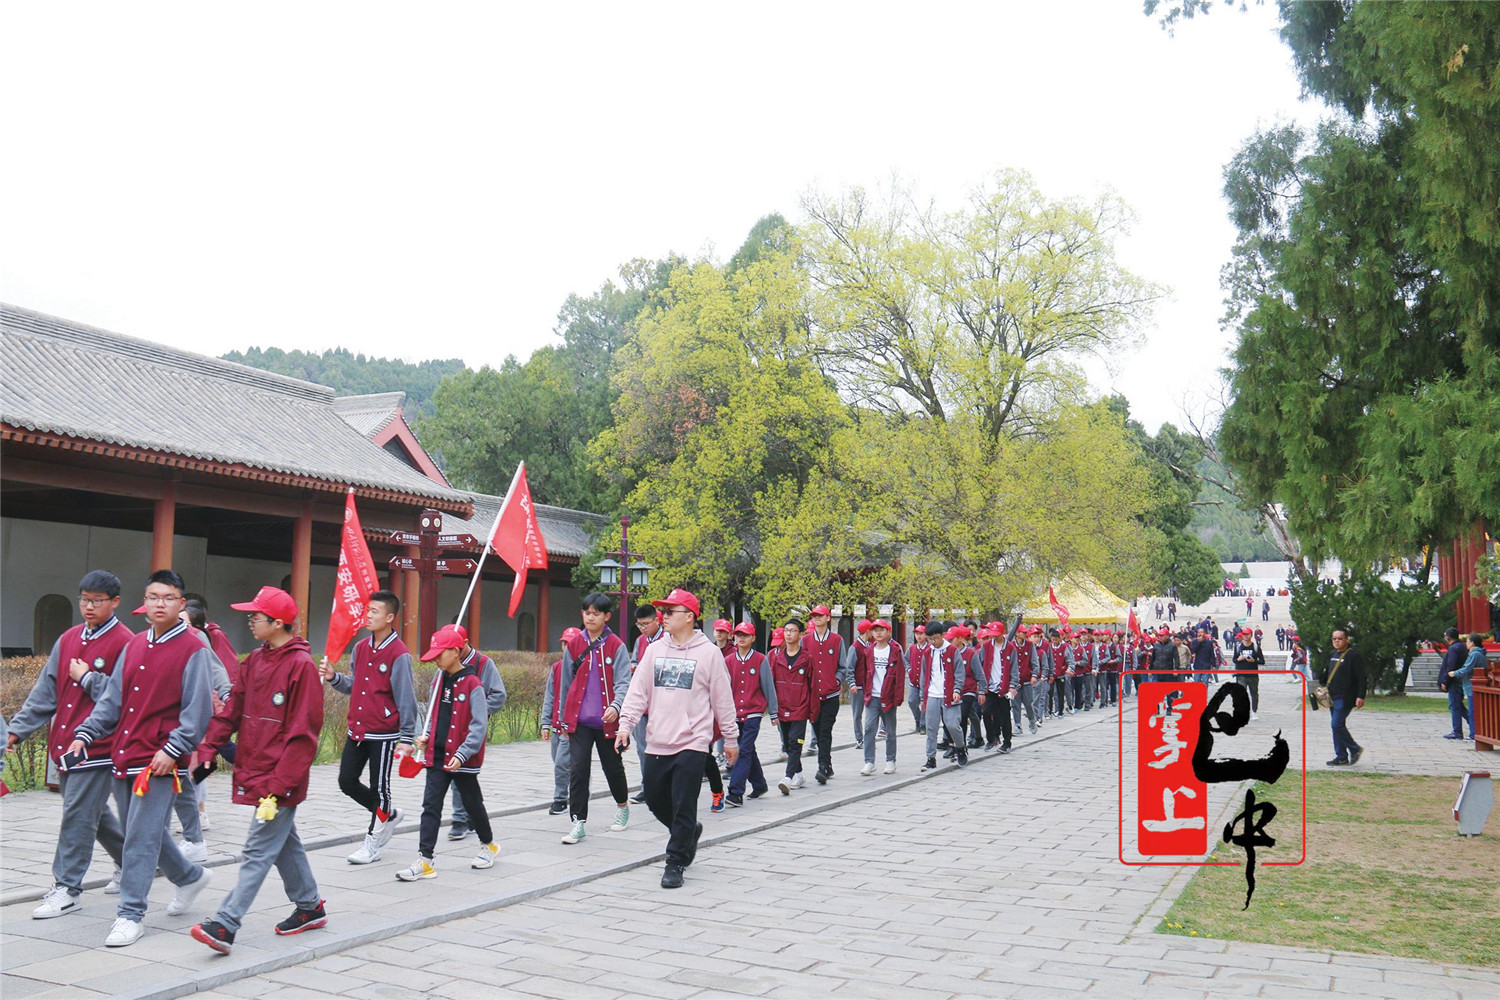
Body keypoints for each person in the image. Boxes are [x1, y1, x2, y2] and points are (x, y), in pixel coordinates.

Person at [67, 569, 214, 948]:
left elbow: (197, 712)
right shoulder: (134, 646)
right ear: (144, 603)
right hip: (123, 756)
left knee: (139, 841)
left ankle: (130, 914)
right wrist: (84, 733)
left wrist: (173, 749)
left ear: (181, 604)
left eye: (167, 598)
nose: (159, 604)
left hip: (159, 763)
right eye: (153, 597)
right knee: (144, 834)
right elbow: (112, 700)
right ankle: (189, 876)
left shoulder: (194, 649)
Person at [188, 587, 325, 954]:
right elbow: (232, 711)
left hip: (280, 778)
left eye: (255, 616)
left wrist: (279, 786)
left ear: (277, 623)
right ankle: (310, 907)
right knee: (284, 843)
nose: (250, 621)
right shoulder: (255, 661)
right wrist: (207, 749)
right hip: (256, 769)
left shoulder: (302, 667)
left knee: (256, 850)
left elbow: (303, 736)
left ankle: (226, 924)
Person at [7, 570, 132, 918]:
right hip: (65, 743)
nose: (88, 607)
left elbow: (126, 697)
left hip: (99, 746)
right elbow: (45, 693)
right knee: (94, 814)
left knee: (77, 816)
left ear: (115, 602)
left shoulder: (126, 642)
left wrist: (88, 678)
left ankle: (67, 887)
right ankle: (134, 863)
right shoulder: (69, 639)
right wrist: (16, 731)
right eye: (84, 600)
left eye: (97, 601)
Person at [615, 588, 739, 889]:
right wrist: (625, 725)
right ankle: (687, 832)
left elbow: (722, 699)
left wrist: (731, 738)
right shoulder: (654, 650)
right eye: (664, 611)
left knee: (683, 803)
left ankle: (675, 862)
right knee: (656, 799)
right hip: (658, 739)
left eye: (670, 612)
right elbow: (638, 691)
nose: (664, 616)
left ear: (690, 617)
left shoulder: (708, 653)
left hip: (693, 741)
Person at [395, 626, 503, 881]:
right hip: (437, 755)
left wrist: (464, 753)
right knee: (430, 806)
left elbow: (479, 725)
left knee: (472, 803)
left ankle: (488, 845)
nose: (435, 659)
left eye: (439, 654)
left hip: (462, 759)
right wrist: (426, 735)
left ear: (455, 651)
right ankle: (425, 860)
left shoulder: (473, 683)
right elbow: (433, 713)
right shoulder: (438, 679)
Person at [320, 590, 417, 866]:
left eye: (374, 611)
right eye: (367, 610)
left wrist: (406, 737)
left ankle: (372, 842)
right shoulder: (361, 648)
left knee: (380, 788)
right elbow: (354, 685)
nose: (368, 615)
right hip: (358, 730)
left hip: (385, 734)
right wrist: (334, 677)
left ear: (389, 617)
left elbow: (405, 697)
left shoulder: (399, 654)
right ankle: (389, 815)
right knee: (346, 781)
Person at [557, 592, 633, 844]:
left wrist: (616, 705)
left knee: (612, 767)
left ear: (606, 616)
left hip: (607, 722)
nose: (591, 617)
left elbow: (624, 681)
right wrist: (561, 719)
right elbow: (565, 684)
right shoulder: (575, 644)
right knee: (578, 770)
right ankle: (577, 821)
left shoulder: (616, 646)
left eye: (596, 613)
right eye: (587, 613)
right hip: (579, 722)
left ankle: (622, 806)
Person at [446, 625, 507, 841]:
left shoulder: (483, 664)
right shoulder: (444, 664)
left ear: (465, 643)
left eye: (454, 647)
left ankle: (463, 818)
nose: (449, 652)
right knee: (457, 774)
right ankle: (465, 817)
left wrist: (476, 709)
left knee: (465, 773)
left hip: (473, 728)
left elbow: (498, 696)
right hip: (450, 728)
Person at [723, 622, 777, 805]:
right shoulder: (729, 661)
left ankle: (735, 792)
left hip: (754, 712)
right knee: (748, 750)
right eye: (738, 635)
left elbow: (768, 686)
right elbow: (723, 689)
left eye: (745, 635)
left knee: (743, 750)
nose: (741, 638)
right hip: (734, 713)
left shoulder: (761, 660)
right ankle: (759, 784)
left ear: (753, 638)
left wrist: (774, 712)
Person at [539, 627, 583, 814]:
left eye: (570, 643)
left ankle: (559, 800)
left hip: (573, 726)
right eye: (564, 643)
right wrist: (545, 722)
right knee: (561, 762)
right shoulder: (556, 668)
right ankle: (577, 793)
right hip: (557, 724)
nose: (566, 647)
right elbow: (550, 695)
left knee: (562, 763)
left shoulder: (584, 668)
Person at [803, 605, 845, 784]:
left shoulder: (837, 640)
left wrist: (836, 681)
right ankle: (827, 764)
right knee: (817, 730)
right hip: (812, 696)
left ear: (828, 618)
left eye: (820, 616)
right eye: (814, 616)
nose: (817, 619)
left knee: (825, 730)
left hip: (830, 695)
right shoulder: (806, 641)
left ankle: (822, 767)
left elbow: (842, 666)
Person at [857, 619, 904, 775]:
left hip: (888, 697)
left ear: (888, 632)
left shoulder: (895, 651)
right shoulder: (868, 651)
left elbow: (900, 676)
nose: (878, 632)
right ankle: (869, 762)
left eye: (881, 629)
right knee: (869, 728)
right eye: (875, 630)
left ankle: (891, 761)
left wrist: (898, 697)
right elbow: (864, 673)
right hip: (873, 697)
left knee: (890, 731)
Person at [772, 619, 812, 794]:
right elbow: (771, 683)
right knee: (788, 744)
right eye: (786, 630)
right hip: (782, 707)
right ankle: (799, 774)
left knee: (796, 743)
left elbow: (813, 686)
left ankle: (787, 777)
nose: (788, 634)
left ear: (801, 634)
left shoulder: (807, 658)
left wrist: (812, 709)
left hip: (800, 707)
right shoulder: (776, 658)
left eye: (793, 631)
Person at [628, 605, 664, 802]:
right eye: (639, 625)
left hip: (662, 704)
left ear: (656, 621)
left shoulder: (667, 640)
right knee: (642, 747)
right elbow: (634, 663)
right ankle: (647, 787)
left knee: (663, 747)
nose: (642, 628)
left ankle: (663, 786)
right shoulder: (641, 641)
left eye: (646, 624)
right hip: (643, 703)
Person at [1322, 628, 1367, 766]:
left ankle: (1354, 749)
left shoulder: (1353, 656)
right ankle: (1341, 756)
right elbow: (1326, 674)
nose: (1336, 641)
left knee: (1336, 724)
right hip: (1332, 696)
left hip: (1345, 696)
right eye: (1334, 638)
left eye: (1339, 638)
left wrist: (1360, 696)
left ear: (1347, 639)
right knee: (1336, 726)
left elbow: (1362, 678)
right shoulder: (1332, 654)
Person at [1451, 634, 1485, 742]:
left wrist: (1454, 673)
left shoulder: (1475, 654)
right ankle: (1474, 733)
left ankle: (1473, 734)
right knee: (1473, 710)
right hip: (1472, 685)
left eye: (1468, 641)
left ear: (1473, 643)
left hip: (1473, 686)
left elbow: (1467, 669)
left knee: (1473, 711)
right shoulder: (1478, 653)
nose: (1466, 643)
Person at [845, 618, 872, 751]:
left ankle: (868, 738)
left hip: (868, 686)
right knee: (857, 714)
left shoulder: (869, 646)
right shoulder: (854, 647)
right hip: (858, 687)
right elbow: (849, 668)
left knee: (870, 714)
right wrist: (852, 683)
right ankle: (859, 739)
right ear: (867, 631)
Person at [1438, 628, 1467, 740]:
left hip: (1454, 680)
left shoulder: (1454, 649)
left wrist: (1445, 681)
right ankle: (1473, 725)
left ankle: (1457, 731)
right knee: (1459, 705)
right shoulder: (1462, 647)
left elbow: (1451, 666)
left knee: (1454, 706)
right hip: (1459, 679)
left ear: (1448, 637)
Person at [1232, 627, 1265, 719]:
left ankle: (1254, 711)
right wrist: (1238, 659)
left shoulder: (1256, 647)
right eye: (1244, 634)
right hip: (1241, 674)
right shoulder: (1238, 647)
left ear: (1251, 635)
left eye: (1247, 634)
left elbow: (1262, 661)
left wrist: (1254, 661)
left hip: (1253, 675)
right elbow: (1234, 660)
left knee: (1254, 694)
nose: (1245, 636)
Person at [906, 625, 929, 733]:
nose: (919, 636)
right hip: (914, 680)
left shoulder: (929, 648)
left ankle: (923, 724)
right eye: (917, 634)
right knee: (911, 701)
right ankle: (918, 719)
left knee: (924, 702)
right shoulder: (911, 648)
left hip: (926, 682)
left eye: (921, 633)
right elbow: (905, 660)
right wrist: (909, 669)